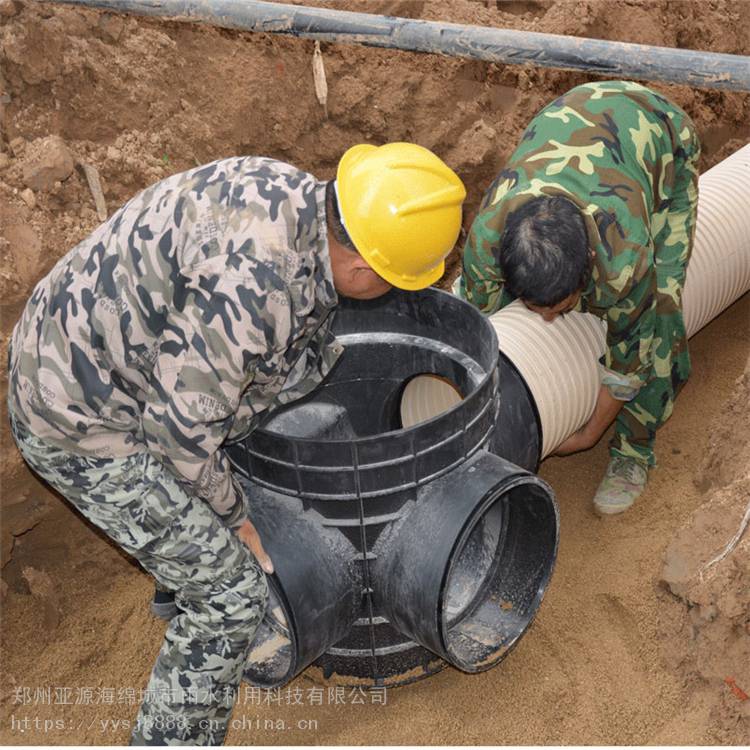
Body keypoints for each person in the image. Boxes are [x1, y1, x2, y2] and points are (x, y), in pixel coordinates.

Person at [7, 142, 466, 744]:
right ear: (362, 270)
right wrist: (235, 519)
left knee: (273, 387)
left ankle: (178, 576)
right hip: (77, 418)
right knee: (231, 593)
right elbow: (180, 437)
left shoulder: (296, 196)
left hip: (92, 347)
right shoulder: (254, 296)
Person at [456, 80, 700, 515]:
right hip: (575, 111)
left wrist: (590, 434)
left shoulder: (623, 253)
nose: (548, 320)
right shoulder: (486, 237)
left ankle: (634, 454)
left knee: (660, 320)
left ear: (589, 260)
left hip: (662, 138)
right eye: (535, 308)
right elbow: (473, 322)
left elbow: (629, 361)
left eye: (561, 305)